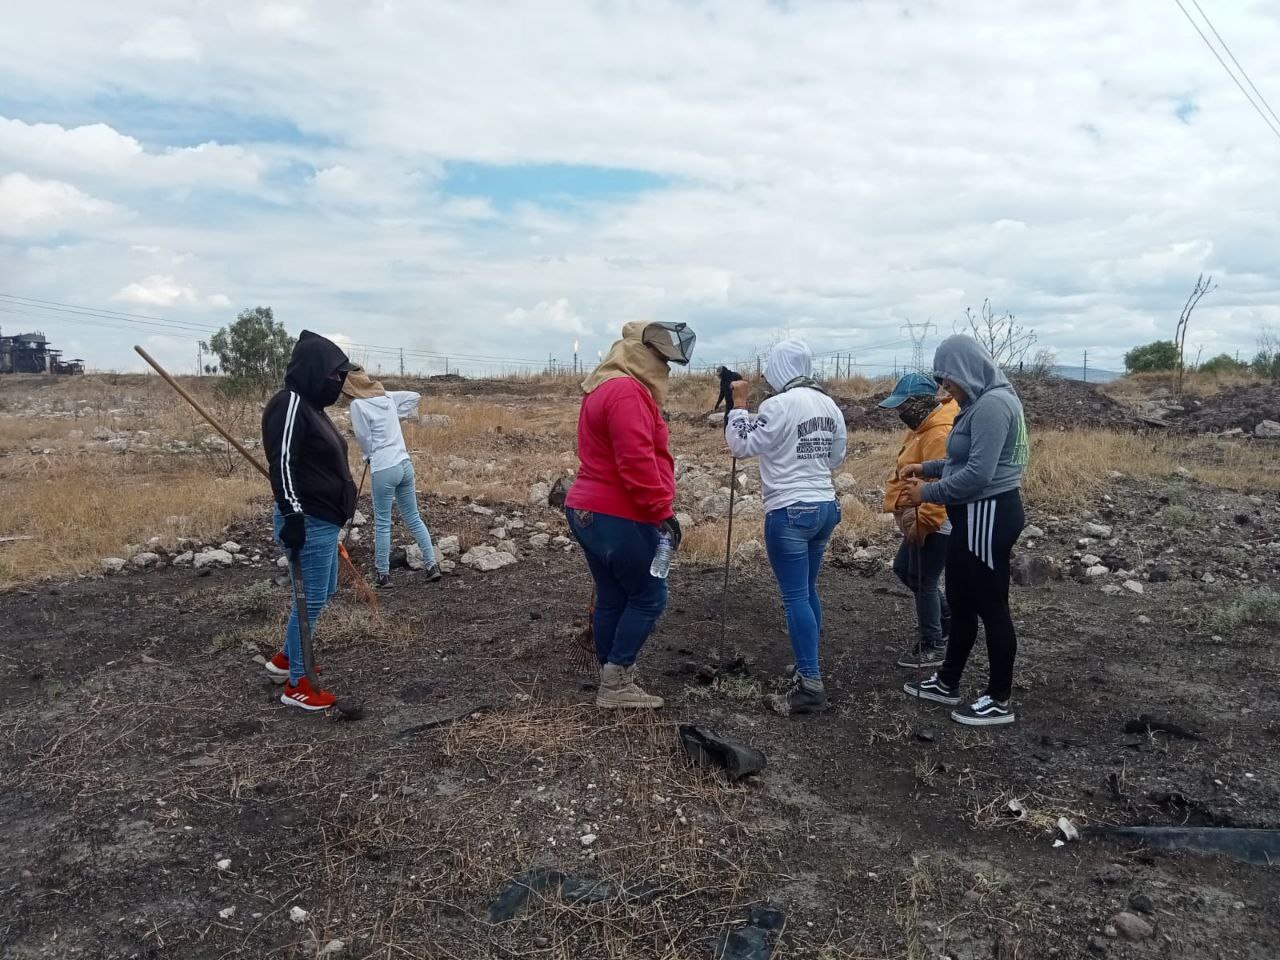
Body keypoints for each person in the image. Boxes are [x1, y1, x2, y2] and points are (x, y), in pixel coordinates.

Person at [564, 320, 695, 710]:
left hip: (588, 509)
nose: (665, 367)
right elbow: (635, 461)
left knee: (613, 594)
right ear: (639, 353)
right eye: (658, 357)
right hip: (618, 512)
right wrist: (662, 512)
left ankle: (610, 671)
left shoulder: (604, 386)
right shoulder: (627, 392)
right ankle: (616, 682)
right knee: (649, 595)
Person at [901, 335, 1029, 726]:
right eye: (941, 379)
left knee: (991, 605)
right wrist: (928, 468)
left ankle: (998, 698)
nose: (944, 386)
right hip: (971, 517)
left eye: (948, 377)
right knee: (960, 599)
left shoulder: (993, 405)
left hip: (988, 514)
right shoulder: (979, 402)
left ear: (967, 368)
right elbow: (962, 458)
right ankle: (948, 680)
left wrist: (928, 492)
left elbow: (978, 474)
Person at [725, 339, 847, 716]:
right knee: (808, 590)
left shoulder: (777, 406)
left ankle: (809, 684)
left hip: (790, 510)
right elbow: (836, 456)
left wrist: (739, 408)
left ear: (778, 368)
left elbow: (740, 445)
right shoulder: (830, 405)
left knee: (795, 596)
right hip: (825, 506)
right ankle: (807, 661)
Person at [261, 330, 358, 711]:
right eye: (334, 376)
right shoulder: (289, 404)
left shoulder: (311, 408)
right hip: (308, 519)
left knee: (325, 589)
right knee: (310, 598)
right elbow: (281, 464)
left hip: (324, 521)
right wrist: (292, 515)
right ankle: (298, 684)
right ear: (315, 371)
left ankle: (286, 659)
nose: (338, 383)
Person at [879, 372, 957, 669]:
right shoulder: (922, 426)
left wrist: (923, 523)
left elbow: (941, 487)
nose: (900, 413)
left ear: (921, 402)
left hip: (936, 519)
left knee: (923, 578)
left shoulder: (938, 433)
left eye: (903, 406)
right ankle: (948, 619)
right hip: (922, 515)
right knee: (905, 569)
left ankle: (933, 645)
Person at [342, 367, 442, 589]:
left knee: (383, 523)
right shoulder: (387, 397)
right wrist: (396, 414)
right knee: (414, 517)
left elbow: (363, 437)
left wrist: (368, 455)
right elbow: (414, 397)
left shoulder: (358, 405)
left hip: (384, 467)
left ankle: (383, 574)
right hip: (405, 464)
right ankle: (432, 565)